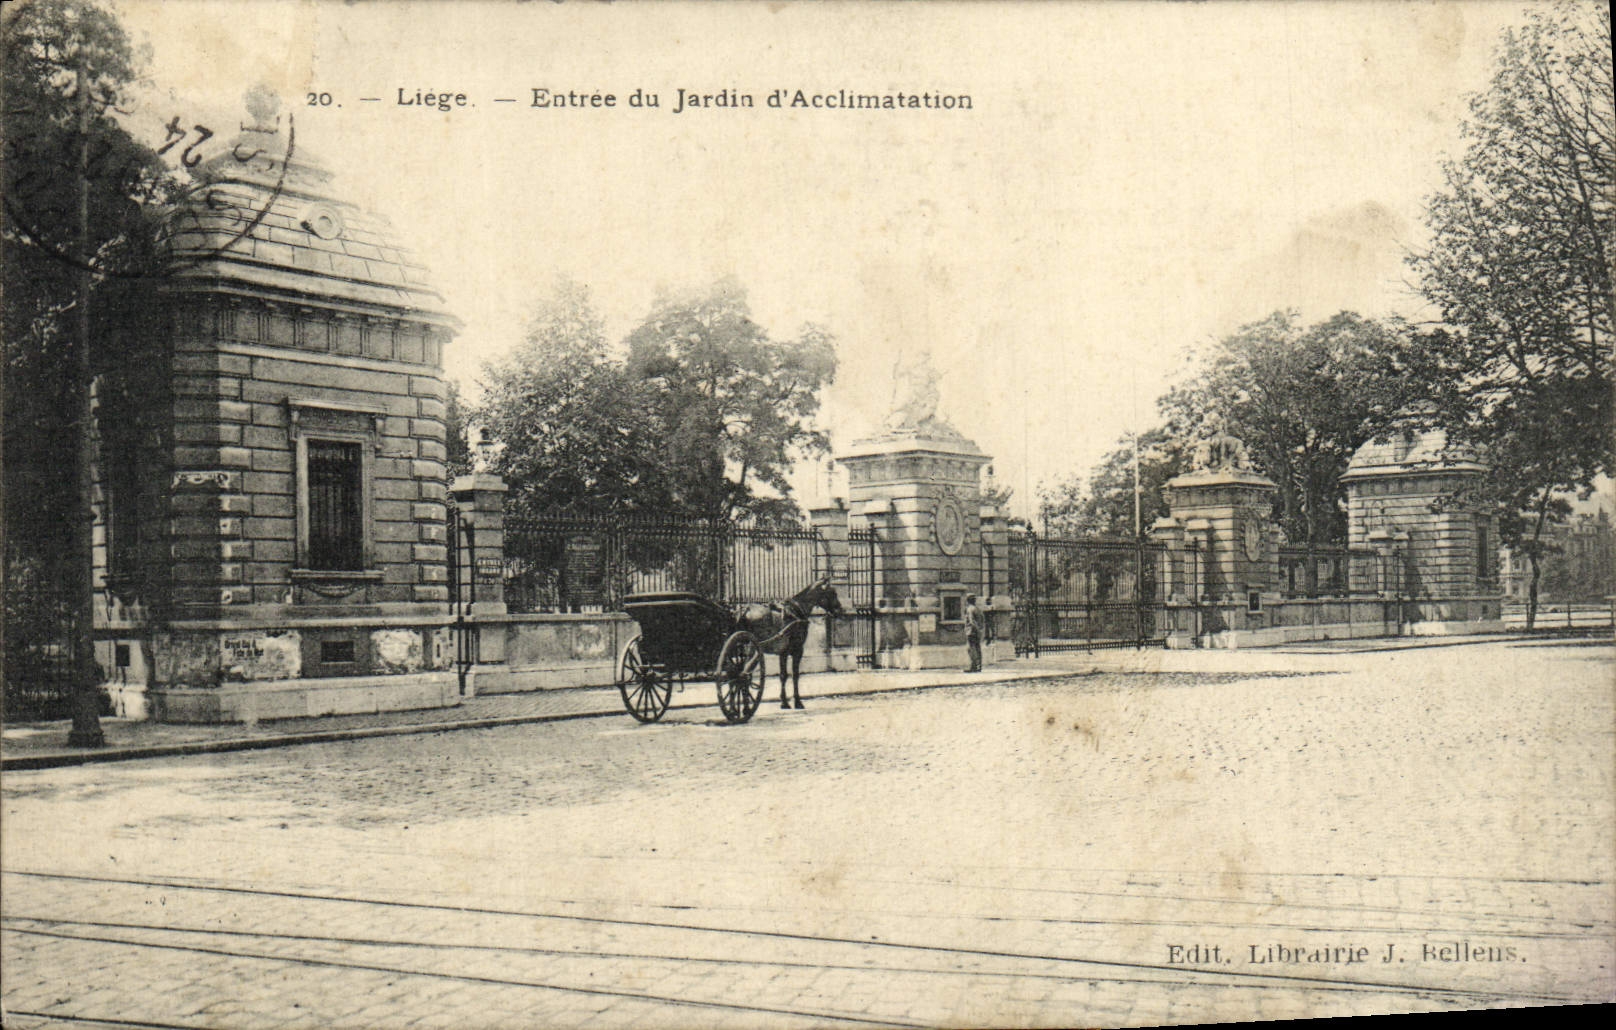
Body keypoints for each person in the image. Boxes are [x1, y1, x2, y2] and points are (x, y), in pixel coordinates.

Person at [964, 594, 985, 672]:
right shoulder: (978, 609)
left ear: (968, 601)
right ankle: (979, 666)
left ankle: (973, 666)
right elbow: (982, 620)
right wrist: (980, 630)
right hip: (977, 631)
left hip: (971, 631)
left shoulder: (970, 609)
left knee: (971, 649)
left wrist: (977, 629)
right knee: (977, 648)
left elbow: (972, 621)